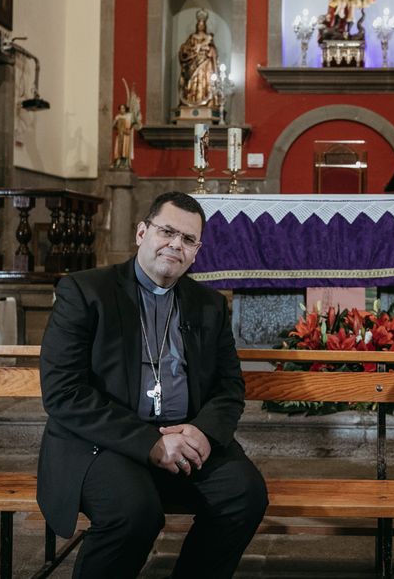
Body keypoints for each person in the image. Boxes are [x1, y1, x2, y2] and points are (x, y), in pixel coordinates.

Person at [37, 192, 268, 578]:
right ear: (142, 233)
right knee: (133, 512)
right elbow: (63, 392)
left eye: (188, 239)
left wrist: (203, 432)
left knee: (244, 495)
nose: (176, 244)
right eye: (167, 232)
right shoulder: (85, 292)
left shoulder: (209, 305)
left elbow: (229, 387)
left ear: (196, 252)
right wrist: (151, 443)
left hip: (184, 438)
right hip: (105, 442)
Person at [179, 9, 219, 108]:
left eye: (202, 24)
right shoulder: (192, 37)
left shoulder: (209, 38)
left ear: (205, 26)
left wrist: (208, 48)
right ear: (196, 25)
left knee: (206, 82)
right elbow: (185, 49)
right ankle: (192, 100)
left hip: (206, 63)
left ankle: (207, 102)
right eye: (199, 24)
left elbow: (213, 51)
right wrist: (193, 49)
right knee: (192, 82)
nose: (200, 26)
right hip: (194, 62)